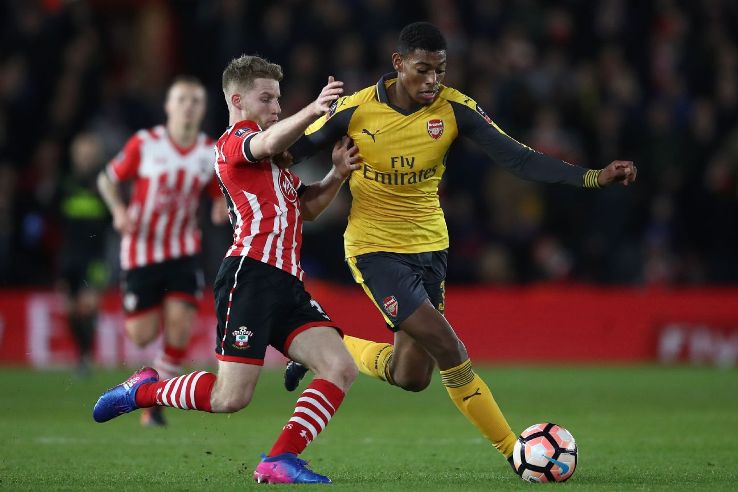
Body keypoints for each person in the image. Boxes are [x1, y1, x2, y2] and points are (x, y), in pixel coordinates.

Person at [284, 21, 638, 473]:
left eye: (441, 69)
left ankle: (319, 347)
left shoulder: (454, 109)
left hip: (430, 248)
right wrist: (245, 165)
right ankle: (517, 452)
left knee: (411, 376)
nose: (432, 80)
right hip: (374, 250)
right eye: (423, 69)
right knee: (449, 347)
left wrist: (592, 177)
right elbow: (289, 152)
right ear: (398, 64)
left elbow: (518, 157)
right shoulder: (354, 110)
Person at [93, 55, 360, 484]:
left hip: (288, 283)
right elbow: (266, 143)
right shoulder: (233, 143)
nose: (276, 107)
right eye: (267, 98)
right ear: (237, 100)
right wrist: (313, 109)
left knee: (340, 367)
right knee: (230, 397)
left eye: (278, 99)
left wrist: (337, 173)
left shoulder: (274, 165)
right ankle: (144, 391)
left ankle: (279, 459)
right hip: (249, 276)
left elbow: (306, 207)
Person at [96, 75, 227, 427]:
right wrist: (118, 210)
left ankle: (153, 406)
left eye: (195, 101)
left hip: (183, 249)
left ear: (203, 109)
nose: (188, 107)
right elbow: (107, 179)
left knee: (180, 326)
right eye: (182, 99)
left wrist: (220, 207)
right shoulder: (145, 143)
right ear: (169, 106)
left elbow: (219, 193)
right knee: (142, 334)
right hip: (141, 250)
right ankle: (143, 381)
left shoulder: (210, 152)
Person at [57, 132, 109, 377]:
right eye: (82, 154)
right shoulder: (66, 186)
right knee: (70, 309)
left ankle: (86, 356)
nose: (85, 158)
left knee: (88, 306)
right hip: (69, 257)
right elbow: (55, 220)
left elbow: (111, 221)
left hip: (94, 257)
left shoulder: (103, 185)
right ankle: (81, 354)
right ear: (75, 156)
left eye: (89, 154)